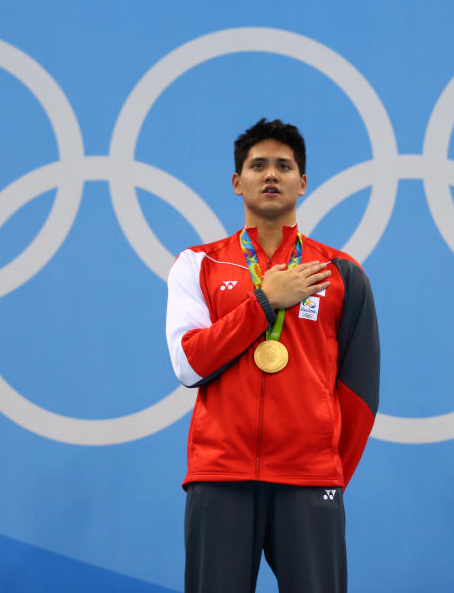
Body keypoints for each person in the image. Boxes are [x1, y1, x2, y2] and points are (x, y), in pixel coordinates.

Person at [165, 118, 380, 592]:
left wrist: (326, 469)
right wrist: (265, 303)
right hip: (220, 475)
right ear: (236, 181)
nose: (270, 174)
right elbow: (189, 364)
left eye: (284, 166)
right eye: (257, 165)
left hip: (309, 480)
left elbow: (360, 392)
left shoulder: (341, 272)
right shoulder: (198, 264)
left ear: (302, 183)